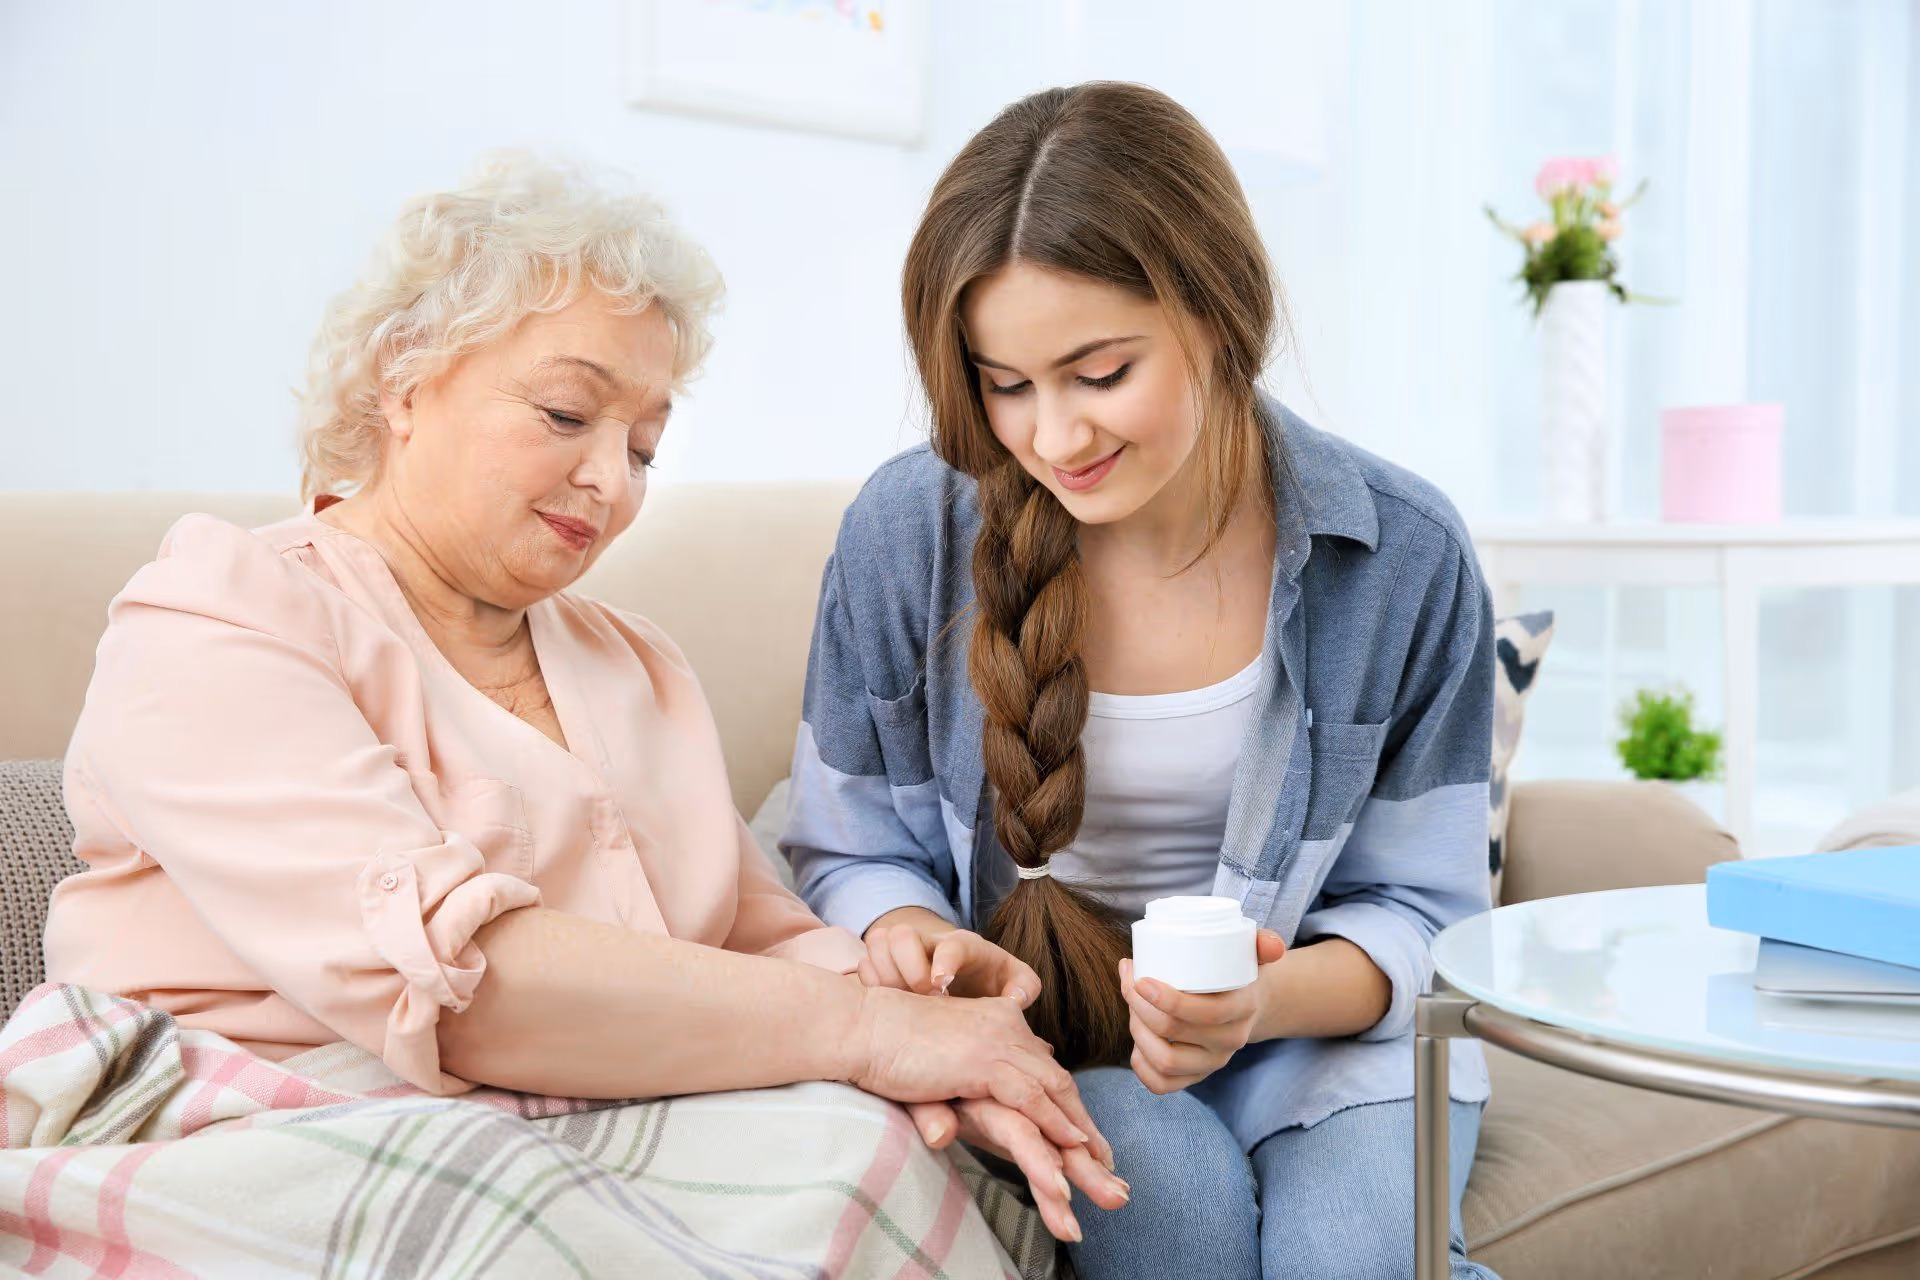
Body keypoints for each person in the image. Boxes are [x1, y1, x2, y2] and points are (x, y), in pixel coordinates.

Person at [40, 154, 1121, 1241]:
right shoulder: (221, 612)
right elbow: (462, 985)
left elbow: (757, 936)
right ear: (403, 380)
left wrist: (908, 987)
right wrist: (871, 1030)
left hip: (592, 1120)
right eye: (567, 412)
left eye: (643, 447)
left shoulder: (636, 666)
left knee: (879, 1164)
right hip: (285, 1114)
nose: (613, 480)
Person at [786, 84, 1501, 1277]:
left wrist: (1253, 1006)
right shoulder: (906, 536)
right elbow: (842, 849)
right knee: (1178, 1221)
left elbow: (1426, 914)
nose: (1053, 436)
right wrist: (909, 936)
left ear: (1218, 312)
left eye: (1099, 371)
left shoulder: (1401, 554)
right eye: (1006, 384)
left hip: (1321, 1034)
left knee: (1359, 1259)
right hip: (1046, 1035)